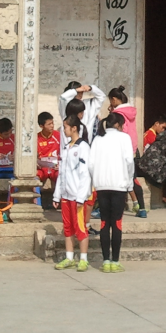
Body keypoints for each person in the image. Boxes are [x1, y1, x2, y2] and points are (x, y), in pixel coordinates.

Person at [89, 112, 135, 272]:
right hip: (119, 185)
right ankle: (115, 261)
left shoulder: (97, 139)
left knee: (104, 223)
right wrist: (129, 183)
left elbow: (91, 164)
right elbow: (130, 162)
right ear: (118, 125)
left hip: (102, 186)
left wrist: (95, 181)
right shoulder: (124, 138)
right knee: (116, 223)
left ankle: (105, 260)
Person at [52, 114, 91, 271]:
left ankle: (83, 258)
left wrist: (82, 196)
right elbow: (61, 173)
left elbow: (85, 174)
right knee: (68, 227)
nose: (64, 130)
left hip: (77, 196)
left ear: (74, 128)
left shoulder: (83, 147)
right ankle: (69, 257)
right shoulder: (66, 148)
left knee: (80, 227)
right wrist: (57, 195)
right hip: (66, 195)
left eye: (66, 127)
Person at [108, 86, 146, 218]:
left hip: (120, 149)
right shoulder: (130, 112)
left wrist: (110, 116)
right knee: (132, 178)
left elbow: (115, 132)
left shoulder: (117, 115)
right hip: (132, 148)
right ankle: (141, 208)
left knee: (112, 179)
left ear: (114, 99)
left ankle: (105, 208)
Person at [37, 111, 60, 186]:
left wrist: (60, 164)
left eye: (52, 123)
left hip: (55, 167)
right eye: (49, 124)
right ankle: (35, 197)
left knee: (61, 176)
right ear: (41, 126)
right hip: (42, 168)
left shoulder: (58, 135)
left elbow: (64, 152)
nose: (52, 126)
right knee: (34, 178)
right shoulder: (36, 138)